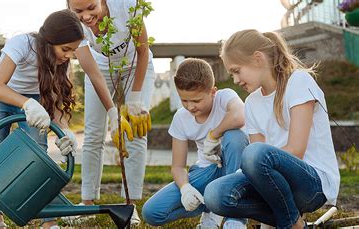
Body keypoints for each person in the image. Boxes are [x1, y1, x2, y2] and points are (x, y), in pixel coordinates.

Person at [0, 10, 119, 229]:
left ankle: (48, 221)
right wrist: (26, 104)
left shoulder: (60, 61)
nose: (68, 56)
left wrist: (65, 131)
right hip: (2, 93)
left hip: (35, 98)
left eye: (72, 51)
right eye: (66, 49)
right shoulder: (22, 44)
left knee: (39, 154)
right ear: (50, 41)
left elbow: (56, 99)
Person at [204, 29, 340, 229]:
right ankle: (294, 223)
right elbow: (255, 164)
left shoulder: (299, 82)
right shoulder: (251, 102)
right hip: (273, 186)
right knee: (215, 194)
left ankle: (288, 223)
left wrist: (255, 161)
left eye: (236, 70)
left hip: (312, 185)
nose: (235, 80)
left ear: (257, 59)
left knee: (253, 154)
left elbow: (296, 150)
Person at [66, 0, 156, 225]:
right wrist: (112, 111)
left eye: (91, 7)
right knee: (94, 134)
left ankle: (130, 204)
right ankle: (87, 204)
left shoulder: (127, 5)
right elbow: (93, 73)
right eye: (78, 11)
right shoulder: (71, 24)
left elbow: (143, 51)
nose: (86, 16)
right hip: (100, 68)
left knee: (135, 133)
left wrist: (134, 99)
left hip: (135, 64)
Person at [142, 58, 249, 229]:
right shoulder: (180, 118)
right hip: (207, 171)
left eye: (196, 101)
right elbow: (177, 166)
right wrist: (185, 189)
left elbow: (239, 116)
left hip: (235, 169)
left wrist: (213, 135)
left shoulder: (224, 97)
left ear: (213, 92)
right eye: (184, 100)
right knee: (151, 212)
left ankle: (234, 219)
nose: (190, 107)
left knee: (234, 136)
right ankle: (212, 207)